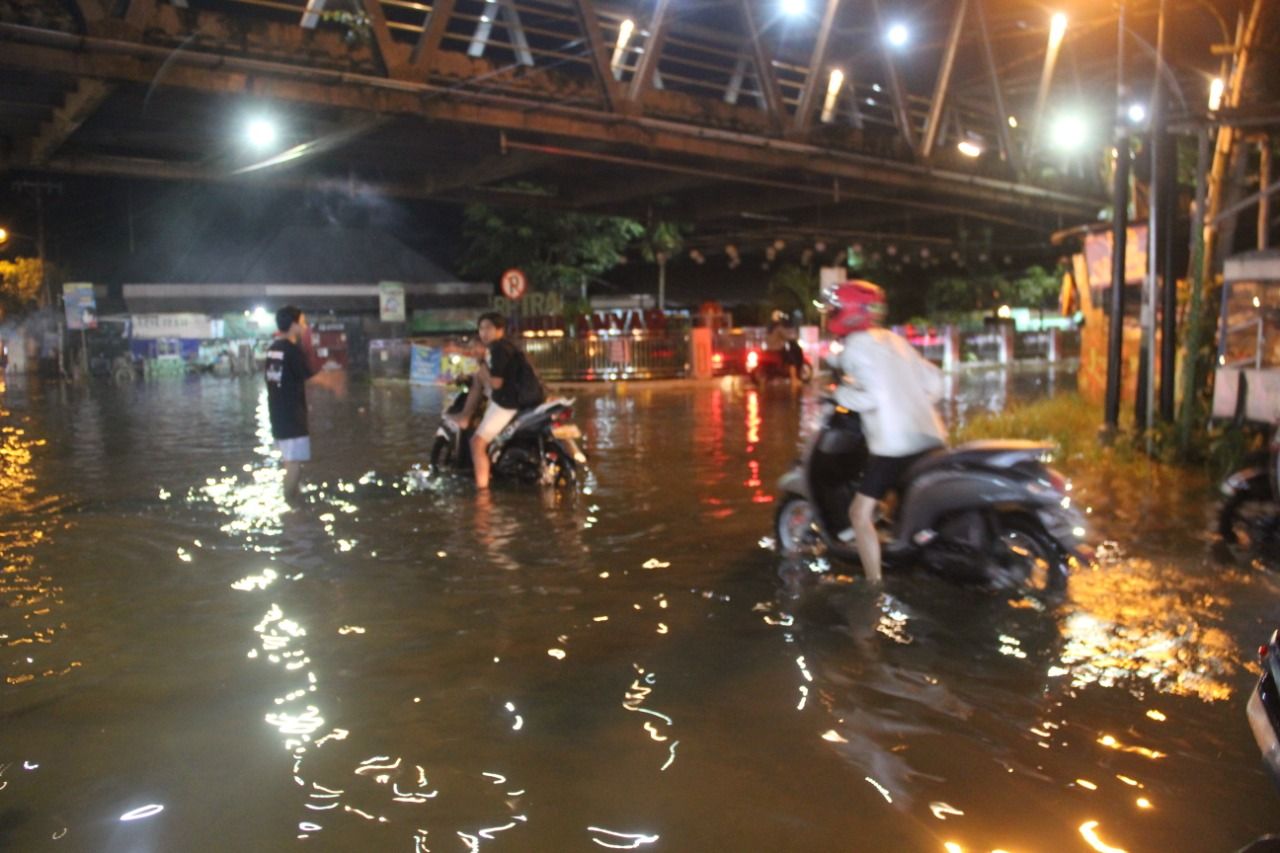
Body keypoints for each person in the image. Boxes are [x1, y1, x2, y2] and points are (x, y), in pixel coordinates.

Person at [825, 281, 946, 584]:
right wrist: (911, 402)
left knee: (859, 514)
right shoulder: (894, 340)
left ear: (849, 312)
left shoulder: (854, 346)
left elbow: (870, 397)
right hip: (930, 436)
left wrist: (838, 393)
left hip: (895, 445)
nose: (831, 313)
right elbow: (936, 383)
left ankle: (873, 584)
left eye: (835, 308)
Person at [450, 311, 543, 489]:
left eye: (488, 328)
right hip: (524, 399)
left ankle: (482, 491)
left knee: (477, 443)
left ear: (500, 330)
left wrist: (481, 363)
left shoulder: (497, 349)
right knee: (478, 378)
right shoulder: (509, 346)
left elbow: (496, 383)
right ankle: (466, 416)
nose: (484, 332)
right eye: (481, 328)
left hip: (507, 403)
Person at [265, 305, 344, 503]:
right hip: (292, 416)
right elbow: (310, 378)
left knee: (289, 461)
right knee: (294, 464)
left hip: (277, 414)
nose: (305, 326)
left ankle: (295, 499)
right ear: (292, 325)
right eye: (302, 322)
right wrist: (333, 381)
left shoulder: (273, 349)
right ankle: (290, 506)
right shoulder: (292, 350)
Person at [767, 309, 804, 386]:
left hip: (770, 348)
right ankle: (794, 380)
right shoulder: (778, 327)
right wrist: (795, 337)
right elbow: (787, 336)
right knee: (792, 361)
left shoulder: (770, 327)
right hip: (779, 349)